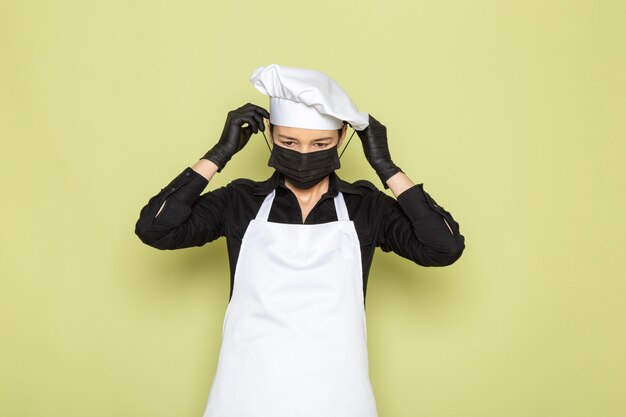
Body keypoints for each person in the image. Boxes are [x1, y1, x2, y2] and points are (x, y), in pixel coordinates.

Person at [135, 63, 465, 417]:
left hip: (338, 392)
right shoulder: (240, 202)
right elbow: (156, 228)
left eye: (320, 143)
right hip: (247, 389)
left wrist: (386, 166)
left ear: (340, 138)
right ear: (270, 134)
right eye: (288, 142)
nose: (304, 153)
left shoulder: (366, 207)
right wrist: (219, 153)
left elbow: (443, 247)